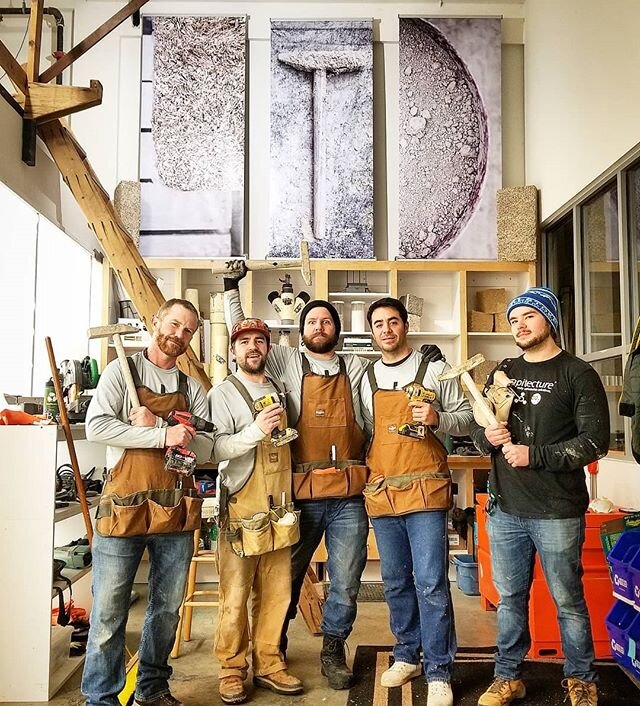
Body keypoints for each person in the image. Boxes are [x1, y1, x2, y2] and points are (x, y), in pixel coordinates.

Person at [221, 264, 369, 690]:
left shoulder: (357, 368)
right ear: (300, 329)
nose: (318, 326)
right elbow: (243, 337)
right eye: (311, 321)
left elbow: (375, 414)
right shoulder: (285, 360)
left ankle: (332, 649)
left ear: (336, 328)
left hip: (347, 496)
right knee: (282, 581)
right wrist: (232, 288)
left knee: (345, 581)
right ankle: (274, 649)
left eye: (326, 321)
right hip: (298, 495)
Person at [470, 287, 609, 706]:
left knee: (567, 599)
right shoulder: (504, 370)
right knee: (510, 599)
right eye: (514, 320)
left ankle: (582, 680)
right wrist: (486, 437)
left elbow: (595, 442)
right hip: (506, 509)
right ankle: (509, 676)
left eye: (529, 316)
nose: (520, 325)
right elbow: (480, 428)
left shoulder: (577, 374)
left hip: (557, 511)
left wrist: (537, 455)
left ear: (549, 320)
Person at [83, 299, 213, 706]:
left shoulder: (192, 388)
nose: (178, 334)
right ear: (156, 322)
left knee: (167, 609)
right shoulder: (122, 373)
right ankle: (100, 699)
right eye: (173, 324)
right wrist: (162, 436)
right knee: (107, 614)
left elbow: (207, 445)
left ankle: (152, 688)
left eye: (188, 330)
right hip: (124, 506)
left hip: (174, 508)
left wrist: (161, 423)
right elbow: (97, 426)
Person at [360, 297, 473, 706]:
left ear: (406, 325)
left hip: (425, 490)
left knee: (430, 582)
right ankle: (407, 653)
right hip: (383, 489)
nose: (386, 330)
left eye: (393, 322)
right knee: (394, 581)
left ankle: (440, 669)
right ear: (372, 332)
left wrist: (439, 419)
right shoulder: (365, 376)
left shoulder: (436, 369)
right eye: (378, 324)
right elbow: (365, 430)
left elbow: (468, 416)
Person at [208, 318, 303, 704]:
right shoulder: (223, 393)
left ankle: (269, 662)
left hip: (279, 504)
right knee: (235, 594)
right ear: (233, 351)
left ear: (268, 348)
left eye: (259, 341)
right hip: (241, 502)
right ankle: (231, 668)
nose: (252, 348)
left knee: (277, 591)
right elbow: (213, 449)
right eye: (244, 342)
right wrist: (255, 430)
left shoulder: (278, 389)